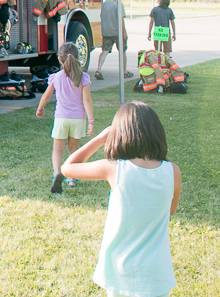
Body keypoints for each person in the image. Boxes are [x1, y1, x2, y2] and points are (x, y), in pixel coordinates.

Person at [62, 101, 182, 297]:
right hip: (156, 275)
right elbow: (171, 210)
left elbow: (68, 167)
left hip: (119, 272)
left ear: (120, 134)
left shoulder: (114, 168)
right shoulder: (173, 171)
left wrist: (101, 139)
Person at [35, 42, 94, 193]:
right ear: (78, 58)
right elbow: (87, 100)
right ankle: (72, 178)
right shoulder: (83, 77)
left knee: (58, 148)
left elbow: (46, 96)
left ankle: (56, 172)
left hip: (61, 118)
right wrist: (91, 121)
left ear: (59, 60)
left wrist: (40, 109)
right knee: (73, 148)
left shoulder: (56, 77)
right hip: (78, 118)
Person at [95, 0, 131, 80]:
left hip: (106, 31)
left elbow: (101, 16)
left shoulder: (104, 5)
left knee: (105, 51)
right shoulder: (119, 5)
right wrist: (124, 32)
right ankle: (124, 72)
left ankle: (98, 70)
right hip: (117, 31)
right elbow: (121, 19)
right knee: (122, 51)